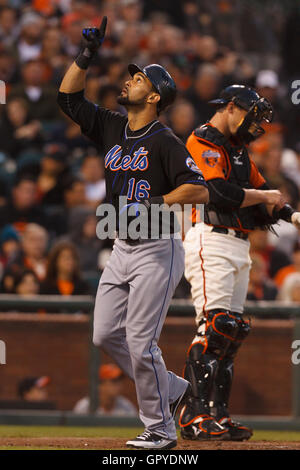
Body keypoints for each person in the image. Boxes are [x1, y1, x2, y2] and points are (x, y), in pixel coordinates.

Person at [57, 16, 209, 450]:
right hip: (122, 246)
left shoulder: (164, 140)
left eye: (139, 79)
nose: (130, 83)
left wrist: (156, 203)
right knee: (104, 334)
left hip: (157, 248)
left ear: (155, 96)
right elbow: (68, 98)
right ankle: (174, 388)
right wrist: (86, 56)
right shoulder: (111, 127)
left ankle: (161, 429)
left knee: (141, 342)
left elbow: (198, 187)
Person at [180, 84, 300, 441]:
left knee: (232, 330)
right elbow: (218, 191)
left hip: (238, 244)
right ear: (231, 108)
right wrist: (263, 196)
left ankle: (218, 414)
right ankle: (192, 415)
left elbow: (266, 199)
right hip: (210, 237)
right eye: (251, 115)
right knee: (214, 326)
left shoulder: (238, 151)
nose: (254, 125)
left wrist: (293, 216)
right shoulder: (203, 140)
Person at [73, 363, 138, 417]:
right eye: (114, 381)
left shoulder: (126, 406)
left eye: (119, 381)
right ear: (101, 385)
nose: (119, 385)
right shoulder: (85, 406)